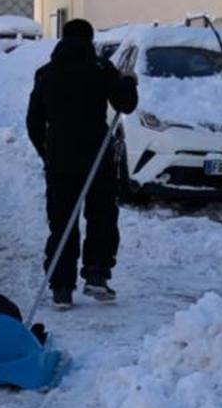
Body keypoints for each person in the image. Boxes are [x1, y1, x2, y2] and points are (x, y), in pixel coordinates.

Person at [25, 19, 138, 308]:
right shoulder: (101, 70)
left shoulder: (46, 74)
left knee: (61, 221)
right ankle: (97, 277)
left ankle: (62, 287)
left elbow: (33, 121)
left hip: (60, 160)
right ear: (90, 41)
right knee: (101, 216)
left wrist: (46, 152)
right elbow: (126, 104)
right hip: (97, 157)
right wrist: (128, 82)